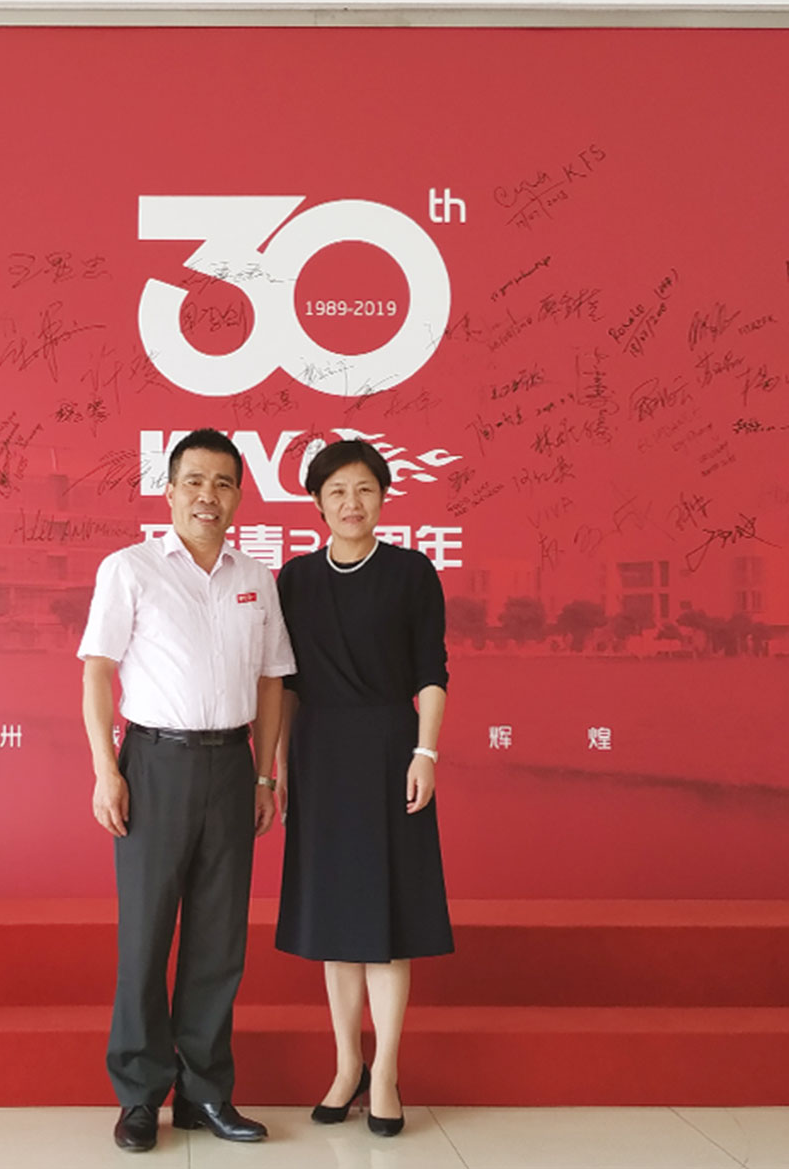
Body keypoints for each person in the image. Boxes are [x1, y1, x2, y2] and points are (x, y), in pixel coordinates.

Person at [79, 428, 295, 1153]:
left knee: (218, 938)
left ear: (239, 496)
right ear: (169, 491)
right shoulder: (130, 569)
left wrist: (265, 772)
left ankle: (205, 1092)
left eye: (223, 483)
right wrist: (106, 770)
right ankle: (140, 1096)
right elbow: (97, 670)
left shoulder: (255, 577)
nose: (209, 495)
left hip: (232, 765)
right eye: (194, 481)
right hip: (154, 763)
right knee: (146, 935)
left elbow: (272, 680)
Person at [274, 437, 452, 1138]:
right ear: (317, 503)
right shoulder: (294, 579)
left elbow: (431, 670)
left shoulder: (411, 571)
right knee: (336, 924)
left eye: (364, 489)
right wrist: (277, 765)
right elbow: (286, 685)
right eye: (337, 491)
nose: (352, 503)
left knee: (388, 922)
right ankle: (347, 1065)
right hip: (319, 754)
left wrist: (425, 751)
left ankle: (385, 1073)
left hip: (389, 750)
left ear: (383, 497)